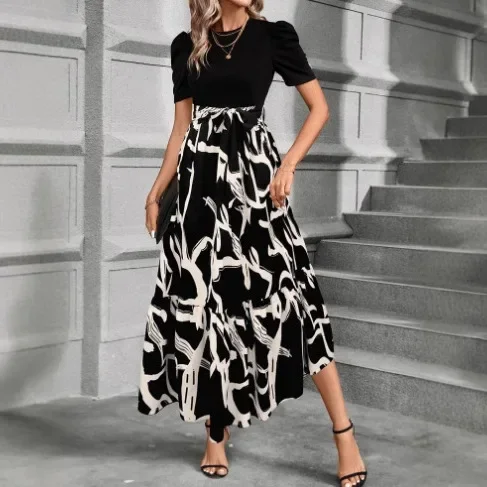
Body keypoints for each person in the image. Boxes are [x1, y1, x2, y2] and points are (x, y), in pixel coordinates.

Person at [138, 1, 367, 486]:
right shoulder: (187, 46)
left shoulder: (273, 37)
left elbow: (320, 109)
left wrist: (288, 165)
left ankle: (344, 434)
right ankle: (215, 433)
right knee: (207, 308)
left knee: (295, 301)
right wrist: (156, 193)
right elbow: (181, 130)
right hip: (200, 192)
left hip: (256, 188)